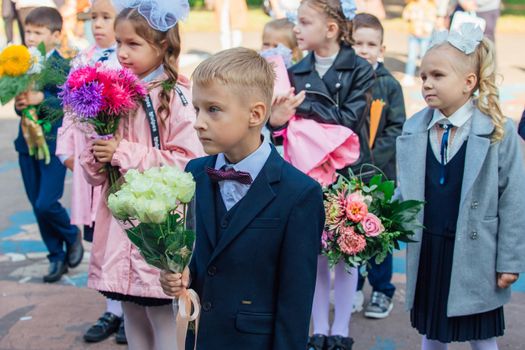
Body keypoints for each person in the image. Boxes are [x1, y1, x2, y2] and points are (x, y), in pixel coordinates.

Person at [159, 47, 325, 350]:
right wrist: (181, 274)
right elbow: (200, 254)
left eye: (213, 109)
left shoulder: (299, 194)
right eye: (197, 109)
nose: (198, 122)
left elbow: (296, 300)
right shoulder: (195, 173)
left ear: (256, 114)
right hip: (201, 338)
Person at [79, 1, 203, 349]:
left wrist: (121, 152)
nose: (121, 52)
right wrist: (96, 155)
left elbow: (187, 164)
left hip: (156, 229)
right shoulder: (112, 95)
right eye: (118, 43)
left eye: (133, 44)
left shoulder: (176, 95)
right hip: (120, 228)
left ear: (163, 45)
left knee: (161, 316)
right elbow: (95, 177)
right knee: (132, 313)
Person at [396, 23, 525, 350]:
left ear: (469, 83)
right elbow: (406, 190)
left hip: (476, 252)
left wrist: (509, 260)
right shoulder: (415, 129)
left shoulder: (498, 131)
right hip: (430, 248)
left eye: (437, 76)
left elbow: (514, 199)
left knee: (481, 336)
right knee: (432, 331)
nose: (426, 84)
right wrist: (378, 222)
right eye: (423, 76)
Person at [269, 0, 375, 348]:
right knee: (313, 254)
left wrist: (302, 106)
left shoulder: (358, 68)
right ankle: (318, 329)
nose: (295, 28)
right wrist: (279, 119)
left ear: (330, 28)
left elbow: (350, 120)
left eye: (304, 21)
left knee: (347, 250)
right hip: (307, 176)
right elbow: (281, 131)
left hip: (348, 174)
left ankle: (341, 329)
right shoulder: (294, 71)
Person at [55, 0, 126, 344]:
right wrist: (66, 150)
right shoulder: (82, 59)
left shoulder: (125, 61)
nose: (96, 24)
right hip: (88, 163)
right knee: (99, 236)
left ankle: (131, 307)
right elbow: (70, 110)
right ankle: (113, 309)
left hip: (118, 160)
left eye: (105, 17)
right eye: (92, 18)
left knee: (124, 233)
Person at [14, 6, 82, 284]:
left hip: (54, 144)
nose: (31, 37)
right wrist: (21, 105)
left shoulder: (63, 67)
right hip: (27, 144)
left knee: (46, 202)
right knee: (35, 204)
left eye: (38, 32)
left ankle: (70, 234)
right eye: (28, 31)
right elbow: (21, 107)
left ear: (55, 35)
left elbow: (69, 104)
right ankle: (55, 256)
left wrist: (41, 97)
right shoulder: (22, 67)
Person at [351, 12, 406, 319]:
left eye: (371, 44)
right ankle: (354, 287)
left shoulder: (389, 86)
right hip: (348, 176)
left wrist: (369, 162)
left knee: (378, 234)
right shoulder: (343, 81)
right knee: (350, 233)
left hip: (380, 176)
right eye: (357, 42)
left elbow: (396, 129)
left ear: (381, 49)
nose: (364, 49)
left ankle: (382, 290)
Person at [401, 0, 437, 86]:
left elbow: (433, 20)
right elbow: (405, 16)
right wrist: (410, 16)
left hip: (425, 36)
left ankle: (425, 76)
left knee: (424, 57)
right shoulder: (412, 5)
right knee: (411, 56)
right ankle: (409, 75)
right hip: (413, 34)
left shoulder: (431, 6)